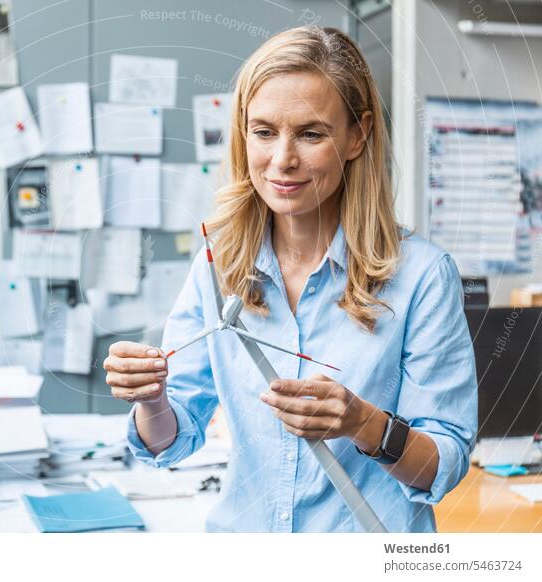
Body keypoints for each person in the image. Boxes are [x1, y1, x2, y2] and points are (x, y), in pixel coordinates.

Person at [102, 26, 477, 533]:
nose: (282, 160)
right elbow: (172, 439)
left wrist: (364, 424)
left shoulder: (422, 277)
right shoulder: (219, 265)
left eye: (311, 133)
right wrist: (151, 399)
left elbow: (445, 465)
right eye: (263, 132)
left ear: (357, 135)